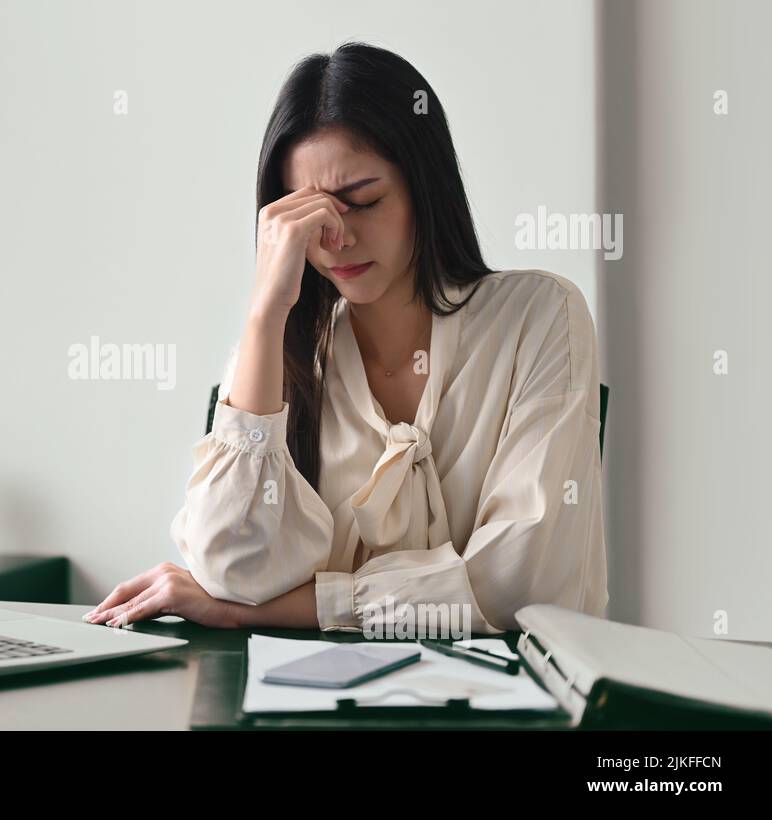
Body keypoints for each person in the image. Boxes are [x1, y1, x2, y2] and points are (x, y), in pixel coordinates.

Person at [85, 41, 607, 637]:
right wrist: (264, 314)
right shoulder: (280, 351)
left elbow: (519, 581)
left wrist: (282, 608)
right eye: (308, 217)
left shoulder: (542, 317)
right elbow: (231, 569)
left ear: (424, 187)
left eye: (363, 202)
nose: (336, 237)